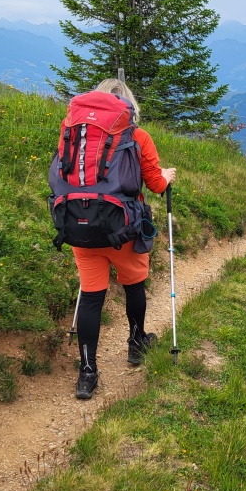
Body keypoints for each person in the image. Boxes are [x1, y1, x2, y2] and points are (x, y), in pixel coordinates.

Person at [69, 78, 176, 399]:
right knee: (133, 286)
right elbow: (156, 184)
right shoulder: (138, 136)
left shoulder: (77, 135)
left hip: (80, 225)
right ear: (128, 106)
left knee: (91, 297)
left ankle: (87, 371)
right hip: (124, 229)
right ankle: (136, 342)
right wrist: (167, 176)